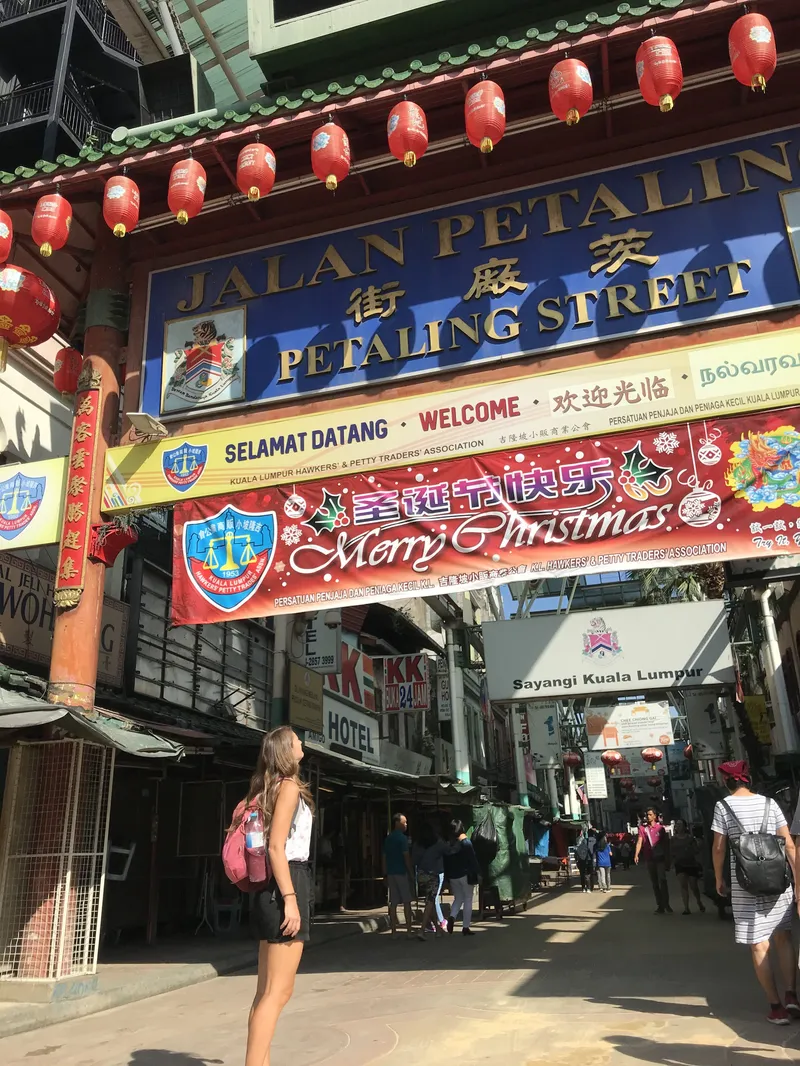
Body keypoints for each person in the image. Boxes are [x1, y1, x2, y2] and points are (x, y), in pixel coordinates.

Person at [231, 726, 314, 1066]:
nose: (301, 744)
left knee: (266, 992)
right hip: (285, 882)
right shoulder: (290, 787)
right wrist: (291, 899)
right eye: (296, 740)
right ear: (285, 750)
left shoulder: (265, 789)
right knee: (278, 993)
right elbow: (278, 847)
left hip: (267, 886)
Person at [711, 761, 799, 1025]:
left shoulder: (722, 806)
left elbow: (719, 847)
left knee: (759, 944)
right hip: (777, 880)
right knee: (783, 937)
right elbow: (791, 846)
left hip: (745, 885)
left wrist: (718, 878)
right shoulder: (770, 804)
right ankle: (792, 995)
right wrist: (798, 883)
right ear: (747, 779)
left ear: (726, 781)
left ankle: (776, 1007)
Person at [444, 819, 480, 935]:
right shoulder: (466, 843)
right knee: (468, 899)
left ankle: (452, 916)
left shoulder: (449, 844)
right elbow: (473, 860)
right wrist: (478, 873)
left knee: (458, 898)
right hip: (465, 875)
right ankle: (465, 927)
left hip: (453, 876)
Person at [382, 813, 415, 939]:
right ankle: (408, 930)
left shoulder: (388, 839)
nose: (406, 824)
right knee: (407, 901)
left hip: (391, 873)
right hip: (401, 872)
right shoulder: (402, 839)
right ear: (397, 823)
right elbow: (406, 857)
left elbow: (384, 857)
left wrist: (385, 873)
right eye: (404, 822)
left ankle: (394, 931)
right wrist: (411, 873)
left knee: (393, 902)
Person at [415, 822, 449, 940]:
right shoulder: (438, 843)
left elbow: (415, 859)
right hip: (433, 875)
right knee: (430, 902)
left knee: (430, 902)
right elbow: (448, 850)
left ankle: (438, 929)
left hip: (421, 875)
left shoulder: (418, 845)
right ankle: (422, 929)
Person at [635, 807, 672, 914]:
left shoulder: (660, 829)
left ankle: (666, 903)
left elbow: (666, 845)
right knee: (655, 883)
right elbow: (639, 841)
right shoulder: (643, 829)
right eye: (647, 815)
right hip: (649, 859)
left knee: (662, 881)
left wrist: (668, 859)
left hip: (660, 858)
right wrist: (636, 854)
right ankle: (660, 905)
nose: (648, 816)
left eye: (650, 814)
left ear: (655, 816)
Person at [672, 819, 705, 916]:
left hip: (691, 864)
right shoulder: (673, 839)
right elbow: (671, 851)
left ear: (684, 827)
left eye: (680, 825)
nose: (678, 826)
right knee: (683, 885)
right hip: (679, 864)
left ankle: (699, 901)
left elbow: (696, 850)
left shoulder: (690, 838)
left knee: (693, 886)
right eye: (677, 825)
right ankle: (686, 908)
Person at [575, 827, 596, 892]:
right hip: (590, 859)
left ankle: (584, 887)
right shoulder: (595, 840)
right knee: (590, 874)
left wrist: (577, 860)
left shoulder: (584, 841)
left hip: (582, 860)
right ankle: (590, 887)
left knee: (583, 874)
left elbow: (577, 852)